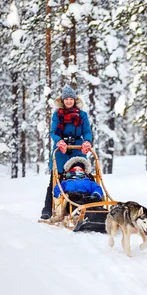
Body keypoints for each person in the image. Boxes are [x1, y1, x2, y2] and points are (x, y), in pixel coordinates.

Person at [40, 85, 93, 220]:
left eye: (71, 99)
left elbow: (87, 131)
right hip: (61, 151)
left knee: (82, 177)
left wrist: (87, 141)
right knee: (55, 179)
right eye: (66, 99)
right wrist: (59, 141)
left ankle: (85, 205)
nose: (69, 101)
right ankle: (48, 209)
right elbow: (53, 132)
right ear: (62, 100)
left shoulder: (82, 115)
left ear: (75, 100)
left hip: (77, 149)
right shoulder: (57, 115)